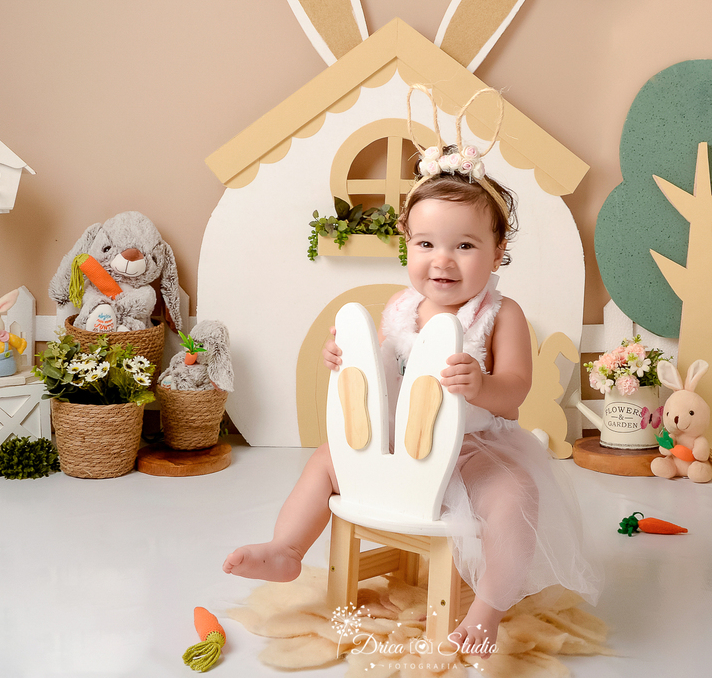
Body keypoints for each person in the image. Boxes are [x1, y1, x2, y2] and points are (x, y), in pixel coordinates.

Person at [224, 97, 600, 657]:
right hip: (401, 445)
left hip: (474, 447)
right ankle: (287, 547)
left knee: (515, 495)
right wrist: (346, 360)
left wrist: (481, 383)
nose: (442, 260)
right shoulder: (401, 309)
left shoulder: (501, 315)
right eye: (426, 244)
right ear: (406, 243)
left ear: (498, 253)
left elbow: (516, 392)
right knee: (327, 459)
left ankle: (489, 606)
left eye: (465, 245)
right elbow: (381, 374)